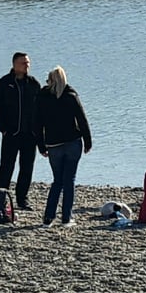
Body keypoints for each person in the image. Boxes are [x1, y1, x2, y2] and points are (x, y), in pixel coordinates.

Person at [35, 66, 92, 228]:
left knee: (57, 181)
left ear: (50, 81)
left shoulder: (42, 98)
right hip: (73, 142)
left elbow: (37, 124)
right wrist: (88, 141)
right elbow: (82, 119)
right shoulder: (71, 96)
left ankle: (48, 218)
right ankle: (66, 218)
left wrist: (41, 146)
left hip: (53, 144)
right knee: (69, 181)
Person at [0, 51, 43, 211]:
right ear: (14, 64)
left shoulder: (34, 84)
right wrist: (4, 129)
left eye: (28, 63)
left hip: (30, 134)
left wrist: (39, 134)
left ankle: (22, 200)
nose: (26, 65)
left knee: (27, 168)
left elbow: (41, 109)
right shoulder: (3, 84)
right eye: (23, 63)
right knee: (6, 166)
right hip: (11, 134)